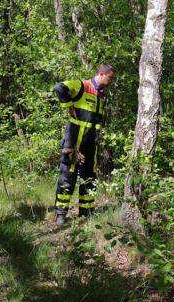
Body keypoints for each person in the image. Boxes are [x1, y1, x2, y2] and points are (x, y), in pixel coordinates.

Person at [53, 64, 115, 224]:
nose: (111, 81)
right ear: (101, 74)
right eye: (110, 78)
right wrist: (68, 106)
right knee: (67, 176)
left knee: (90, 178)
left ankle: (86, 213)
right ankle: (61, 214)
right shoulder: (82, 86)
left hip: (91, 145)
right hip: (74, 143)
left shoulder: (101, 95)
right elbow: (59, 88)